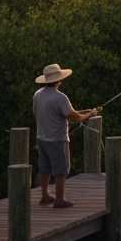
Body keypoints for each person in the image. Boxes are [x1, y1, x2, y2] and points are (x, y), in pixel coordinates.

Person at [33, 63, 97, 208]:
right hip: (57, 139)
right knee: (61, 170)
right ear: (58, 80)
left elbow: (36, 113)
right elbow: (73, 117)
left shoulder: (37, 95)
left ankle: (45, 195)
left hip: (41, 138)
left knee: (44, 168)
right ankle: (59, 199)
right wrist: (89, 115)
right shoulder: (60, 97)